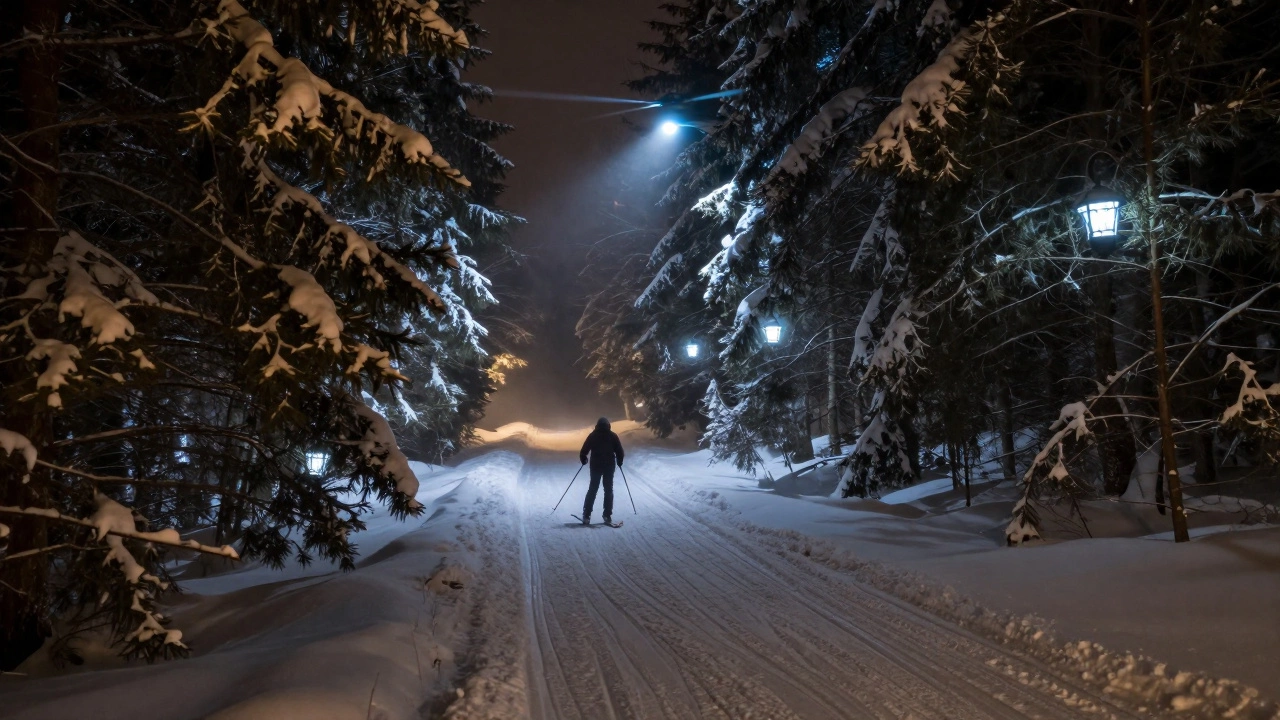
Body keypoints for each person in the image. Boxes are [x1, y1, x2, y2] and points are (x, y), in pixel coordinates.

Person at [579, 417, 624, 525]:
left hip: (596, 466)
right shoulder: (613, 436)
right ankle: (607, 515)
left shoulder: (593, 435)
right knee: (608, 490)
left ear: (597, 425)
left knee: (593, 489)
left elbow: (584, 450)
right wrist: (620, 461)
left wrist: (583, 458)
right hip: (609, 466)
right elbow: (619, 451)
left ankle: (587, 515)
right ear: (608, 425)